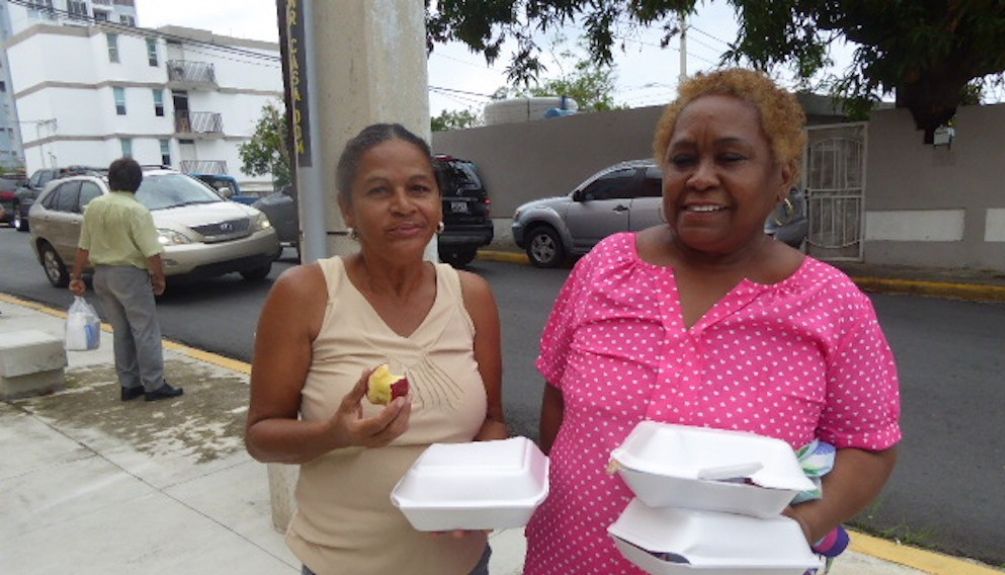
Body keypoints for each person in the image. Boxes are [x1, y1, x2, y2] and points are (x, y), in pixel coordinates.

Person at [523, 68, 901, 574]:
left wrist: (804, 525)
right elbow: (558, 398)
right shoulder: (604, 266)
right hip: (570, 559)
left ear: (783, 175)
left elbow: (869, 446)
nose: (700, 177)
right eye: (683, 160)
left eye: (730, 158)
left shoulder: (832, 303)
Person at [245, 123, 506, 575]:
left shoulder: (472, 295)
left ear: (438, 203)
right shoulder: (305, 294)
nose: (404, 206)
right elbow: (261, 436)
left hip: (460, 563)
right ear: (347, 209)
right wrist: (336, 434)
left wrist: (472, 494)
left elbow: (494, 422)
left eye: (419, 188)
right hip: (342, 563)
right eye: (379, 191)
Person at [70, 157, 183, 402]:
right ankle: (154, 384)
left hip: (102, 275)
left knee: (121, 331)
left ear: (110, 180)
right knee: (145, 330)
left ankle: (129, 384)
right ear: (137, 182)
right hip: (129, 275)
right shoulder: (136, 210)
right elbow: (151, 251)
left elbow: (83, 247)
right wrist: (159, 278)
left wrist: (76, 276)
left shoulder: (94, 207)